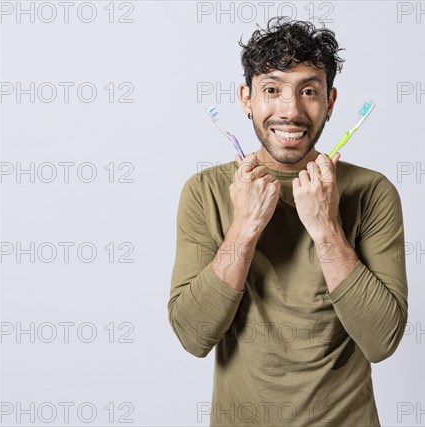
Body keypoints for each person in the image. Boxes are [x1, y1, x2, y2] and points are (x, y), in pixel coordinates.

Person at [168, 17, 408, 426]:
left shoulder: (372, 192)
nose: (290, 110)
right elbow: (194, 335)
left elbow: (381, 339)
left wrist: (326, 228)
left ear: (330, 102)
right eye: (272, 90)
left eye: (309, 91)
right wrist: (243, 229)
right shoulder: (204, 192)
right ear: (247, 99)